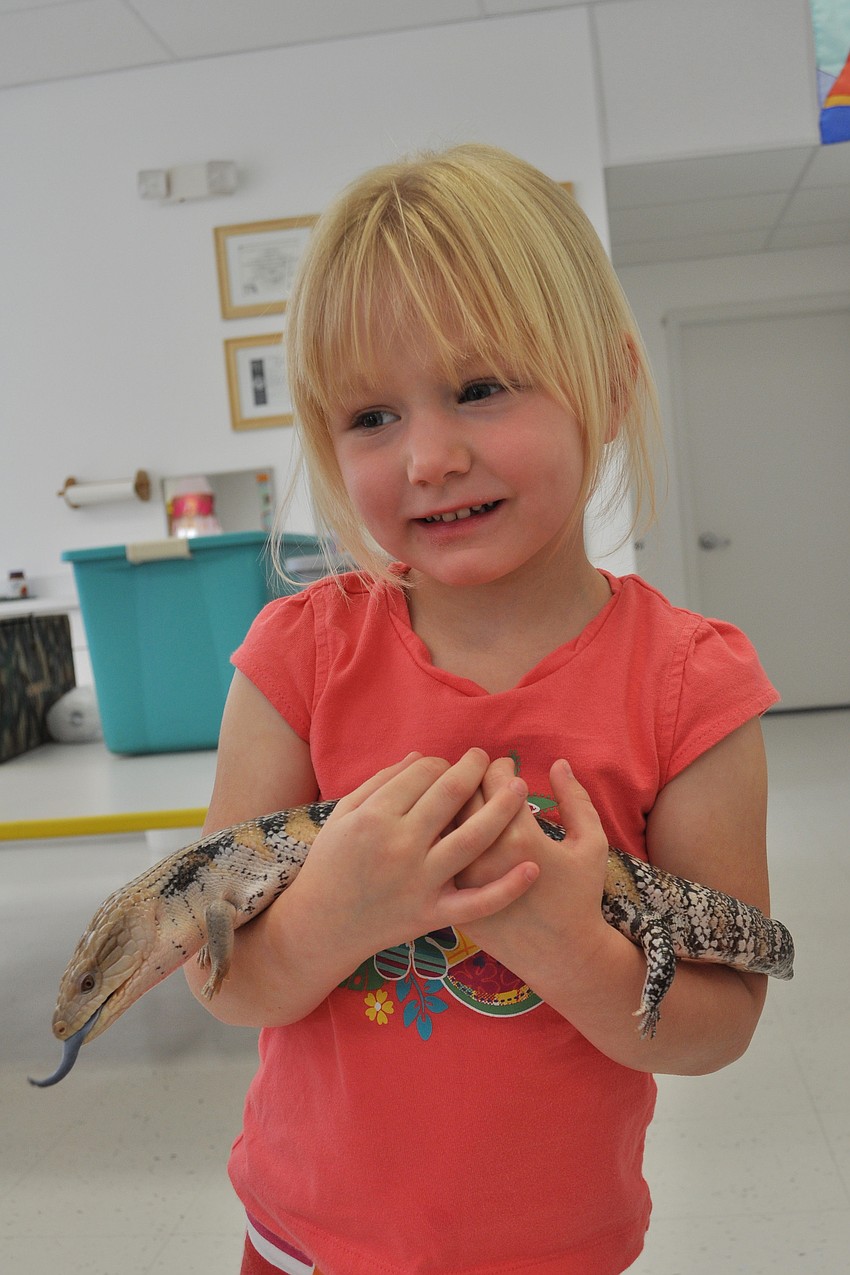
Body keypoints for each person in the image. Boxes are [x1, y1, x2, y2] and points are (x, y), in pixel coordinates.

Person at [185, 143, 779, 1275]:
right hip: (304, 1241)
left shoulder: (693, 686)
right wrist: (337, 912)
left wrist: (571, 946)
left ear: (605, 389)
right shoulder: (297, 658)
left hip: (555, 1249)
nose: (431, 456)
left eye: (478, 389)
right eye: (369, 417)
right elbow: (218, 971)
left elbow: (722, 1019)